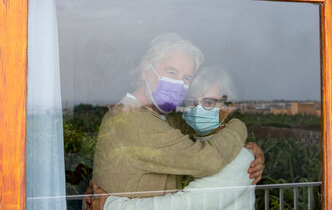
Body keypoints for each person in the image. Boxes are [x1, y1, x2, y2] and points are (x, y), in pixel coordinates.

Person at [86, 33, 264, 209]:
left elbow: (202, 136)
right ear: (145, 71)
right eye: (172, 72)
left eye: (186, 78)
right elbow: (207, 159)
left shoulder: (163, 119)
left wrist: (250, 152)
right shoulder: (130, 119)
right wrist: (237, 128)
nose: (179, 84)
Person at [103, 65, 256, 210]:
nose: (198, 108)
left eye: (209, 102)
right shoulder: (188, 147)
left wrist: (110, 204)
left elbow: (185, 204)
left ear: (228, 108)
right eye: (192, 102)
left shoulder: (240, 158)